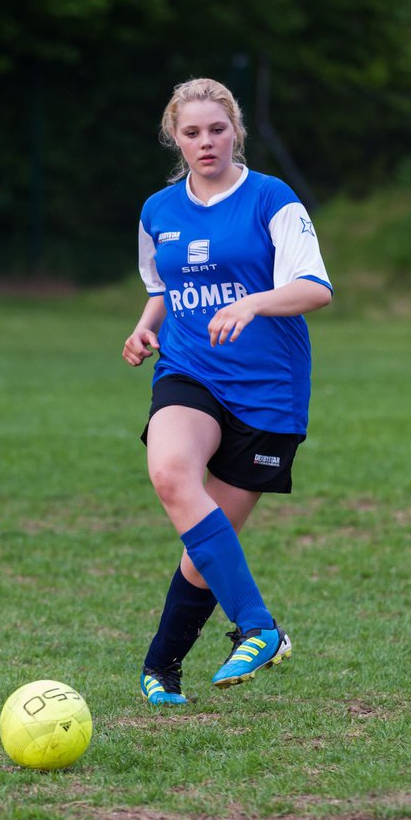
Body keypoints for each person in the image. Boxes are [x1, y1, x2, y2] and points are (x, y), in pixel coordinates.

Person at [123, 78, 332, 705]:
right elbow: (162, 287)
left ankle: (161, 668)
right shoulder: (158, 211)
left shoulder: (273, 198)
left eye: (216, 129)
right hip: (189, 369)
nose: (205, 142)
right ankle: (260, 627)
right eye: (191, 133)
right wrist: (144, 327)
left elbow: (315, 288)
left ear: (235, 130)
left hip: (268, 390)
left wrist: (256, 302)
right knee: (170, 476)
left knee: (209, 544)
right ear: (175, 139)